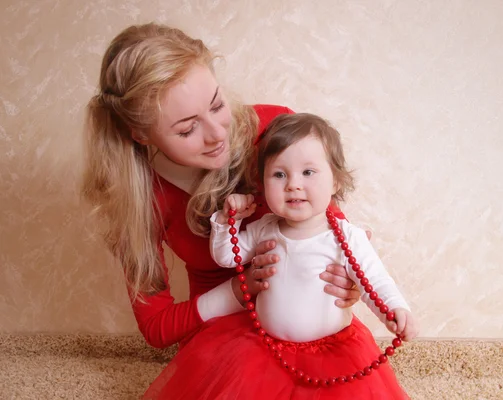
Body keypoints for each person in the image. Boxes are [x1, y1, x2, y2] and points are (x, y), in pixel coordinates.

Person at [81, 21, 360, 386]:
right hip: (223, 333)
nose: (217, 134)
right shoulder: (140, 201)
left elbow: (333, 223)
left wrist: (350, 277)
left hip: (310, 323)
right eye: (186, 129)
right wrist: (237, 291)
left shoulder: (274, 129)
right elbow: (156, 327)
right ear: (140, 134)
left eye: (216, 105)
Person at [143, 113, 418, 399]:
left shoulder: (347, 237)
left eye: (308, 172)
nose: (293, 184)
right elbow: (227, 257)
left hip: (332, 349)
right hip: (264, 346)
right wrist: (229, 221)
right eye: (279, 174)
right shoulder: (264, 229)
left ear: (335, 181)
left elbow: (375, 279)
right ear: (261, 184)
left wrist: (395, 309)